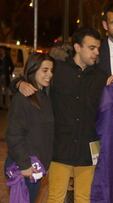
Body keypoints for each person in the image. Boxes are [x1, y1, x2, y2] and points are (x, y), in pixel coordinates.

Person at [15, 27, 107, 202]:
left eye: (98, 48)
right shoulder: (57, 71)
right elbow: (32, 76)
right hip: (59, 150)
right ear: (78, 47)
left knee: (84, 199)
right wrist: (18, 83)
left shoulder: (102, 77)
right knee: (55, 198)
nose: (96, 52)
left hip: (87, 152)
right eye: (92, 48)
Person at [5, 53, 55, 203]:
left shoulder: (43, 96)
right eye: (44, 70)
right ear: (33, 70)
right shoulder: (23, 98)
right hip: (25, 167)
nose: (49, 75)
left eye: (51, 70)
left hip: (36, 167)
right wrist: (25, 165)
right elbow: (14, 134)